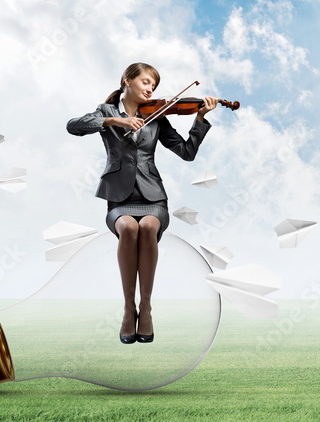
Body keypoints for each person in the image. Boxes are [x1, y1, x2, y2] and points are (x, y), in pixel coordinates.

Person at [66, 63, 217, 344]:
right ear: (128, 80)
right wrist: (116, 122)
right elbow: (73, 126)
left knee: (147, 227)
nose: (150, 89)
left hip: (153, 198)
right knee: (128, 228)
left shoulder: (158, 116)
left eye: (154, 86)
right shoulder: (106, 111)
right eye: (146, 82)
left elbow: (187, 152)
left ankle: (145, 307)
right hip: (119, 199)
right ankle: (128, 308)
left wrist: (200, 119)